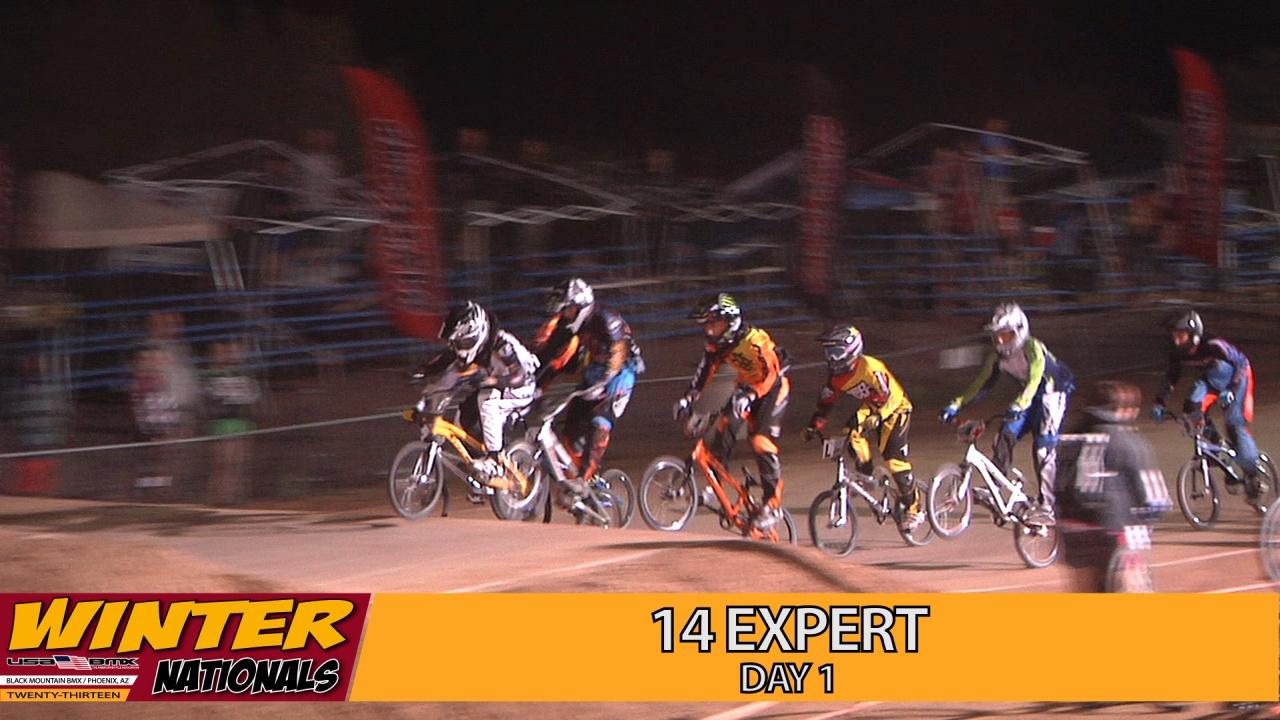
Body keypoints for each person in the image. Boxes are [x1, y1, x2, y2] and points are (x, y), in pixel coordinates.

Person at [939, 302, 1075, 518]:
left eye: (1006, 335)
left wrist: (1020, 404)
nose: (1001, 341)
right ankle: (994, 489)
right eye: (998, 336)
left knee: (1043, 449)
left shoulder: (1033, 347)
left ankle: (1047, 505)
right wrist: (956, 404)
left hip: (1053, 395)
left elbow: (1035, 379)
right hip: (1028, 399)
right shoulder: (997, 358)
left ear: (1020, 330)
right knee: (1004, 435)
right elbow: (981, 385)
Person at [674, 293, 791, 529]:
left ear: (729, 321)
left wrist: (752, 395)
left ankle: (772, 505)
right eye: (706, 325)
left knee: (760, 442)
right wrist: (689, 397)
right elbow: (704, 372)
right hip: (746, 389)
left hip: (773, 389)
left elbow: (771, 375)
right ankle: (716, 483)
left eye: (712, 323)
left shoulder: (755, 341)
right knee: (724, 427)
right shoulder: (718, 345)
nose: (708, 329)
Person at [804, 325, 923, 531]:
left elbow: (892, 397)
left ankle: (915, 509)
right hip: (872, 408)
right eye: (828, 353)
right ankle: (866, 474)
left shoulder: (870, 368)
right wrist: (814, 424)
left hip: (896, 409)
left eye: (836, 352)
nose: (831, 358)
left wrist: (878, 416)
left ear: (852, 350)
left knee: (894, 461)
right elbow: (827, 402)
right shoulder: (837, 377)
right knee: (850, 433)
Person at [533, 278, 644, 492]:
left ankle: (584, 479)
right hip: (596, 370)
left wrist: (605, 381)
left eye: (567, 309)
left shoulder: (606, 318)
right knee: (571, 425)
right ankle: (587, 480)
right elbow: (551, 357)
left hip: (622, 372)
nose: (564, 314)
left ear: (579, 306)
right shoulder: (571, 325)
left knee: (600, 419)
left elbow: (619, 351)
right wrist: (536, 386)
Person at [1060, 381, 1170, 592]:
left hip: (1071, 524)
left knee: (1083, 582)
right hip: (1109, 523)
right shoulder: (1125, 440)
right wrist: (1154, 511)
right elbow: (1152, 492)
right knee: (1129, 570)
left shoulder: (1070, 438)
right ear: (1120, 409)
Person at [414, 302, 539, 483]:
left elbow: (518, 376)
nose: (460, 348)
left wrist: (493, 381)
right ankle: (480, 473)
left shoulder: (503, 345)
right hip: (498, 388)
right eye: (457, 343)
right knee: (463, 415)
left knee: (487, 401)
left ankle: (495, 459)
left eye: (463, 342)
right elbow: (447, 368)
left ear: (477, 334)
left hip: (521, 390)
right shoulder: (473, 347)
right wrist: (423, 374)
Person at [1151, 309, 1265, 507]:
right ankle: (1218, 446)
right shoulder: (1177, 352)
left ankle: (1253, 477)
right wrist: (1159, 402)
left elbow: (1240, 364)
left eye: (1181, 336)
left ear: (1194, 334)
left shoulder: (1213, 345)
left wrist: (1231, 389)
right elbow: (1171, 377)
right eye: (1174, 336)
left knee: (1234, 425)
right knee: (1191, 409)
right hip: (1213, 379)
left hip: (1238, 379)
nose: (1176, 341)